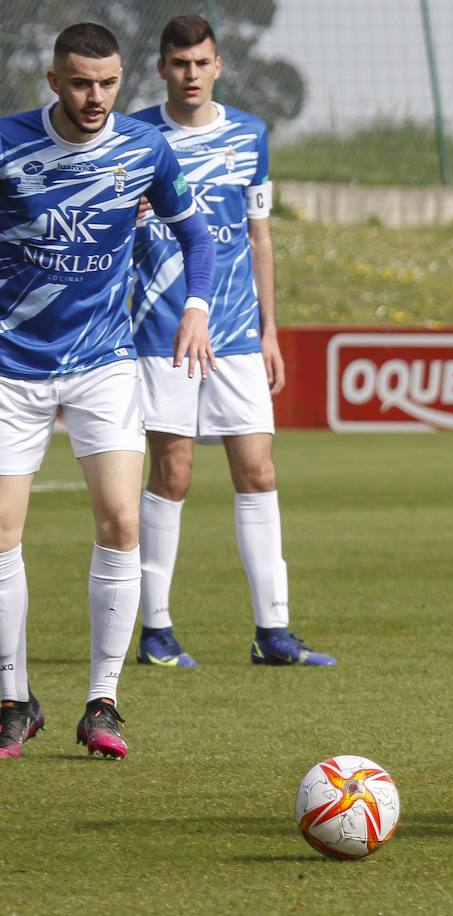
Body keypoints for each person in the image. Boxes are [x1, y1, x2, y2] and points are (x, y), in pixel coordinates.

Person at [0, 22, 215, 760]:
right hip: (11, 364)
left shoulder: (145, 149)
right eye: (82, 83)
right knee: (1, 531)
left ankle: (103, 703)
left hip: (103, 361)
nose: (97, 97)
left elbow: (198, 236)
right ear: (54, 81)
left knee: (122, 519)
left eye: (109, 83)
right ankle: (13, 701)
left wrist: (196, 307)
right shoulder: (8, 144)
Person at [128, 14, 334, 669]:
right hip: (162, 329)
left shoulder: (250, 135)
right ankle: (156, 631)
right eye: (179, 63)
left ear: (218, 67)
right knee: (174, 474)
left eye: (201, 63)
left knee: (258, 471)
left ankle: (273, 631)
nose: (190, 75)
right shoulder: (133, 136)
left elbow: (258, 236)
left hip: (238, 332)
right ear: (161, 67)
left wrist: (271, 330)